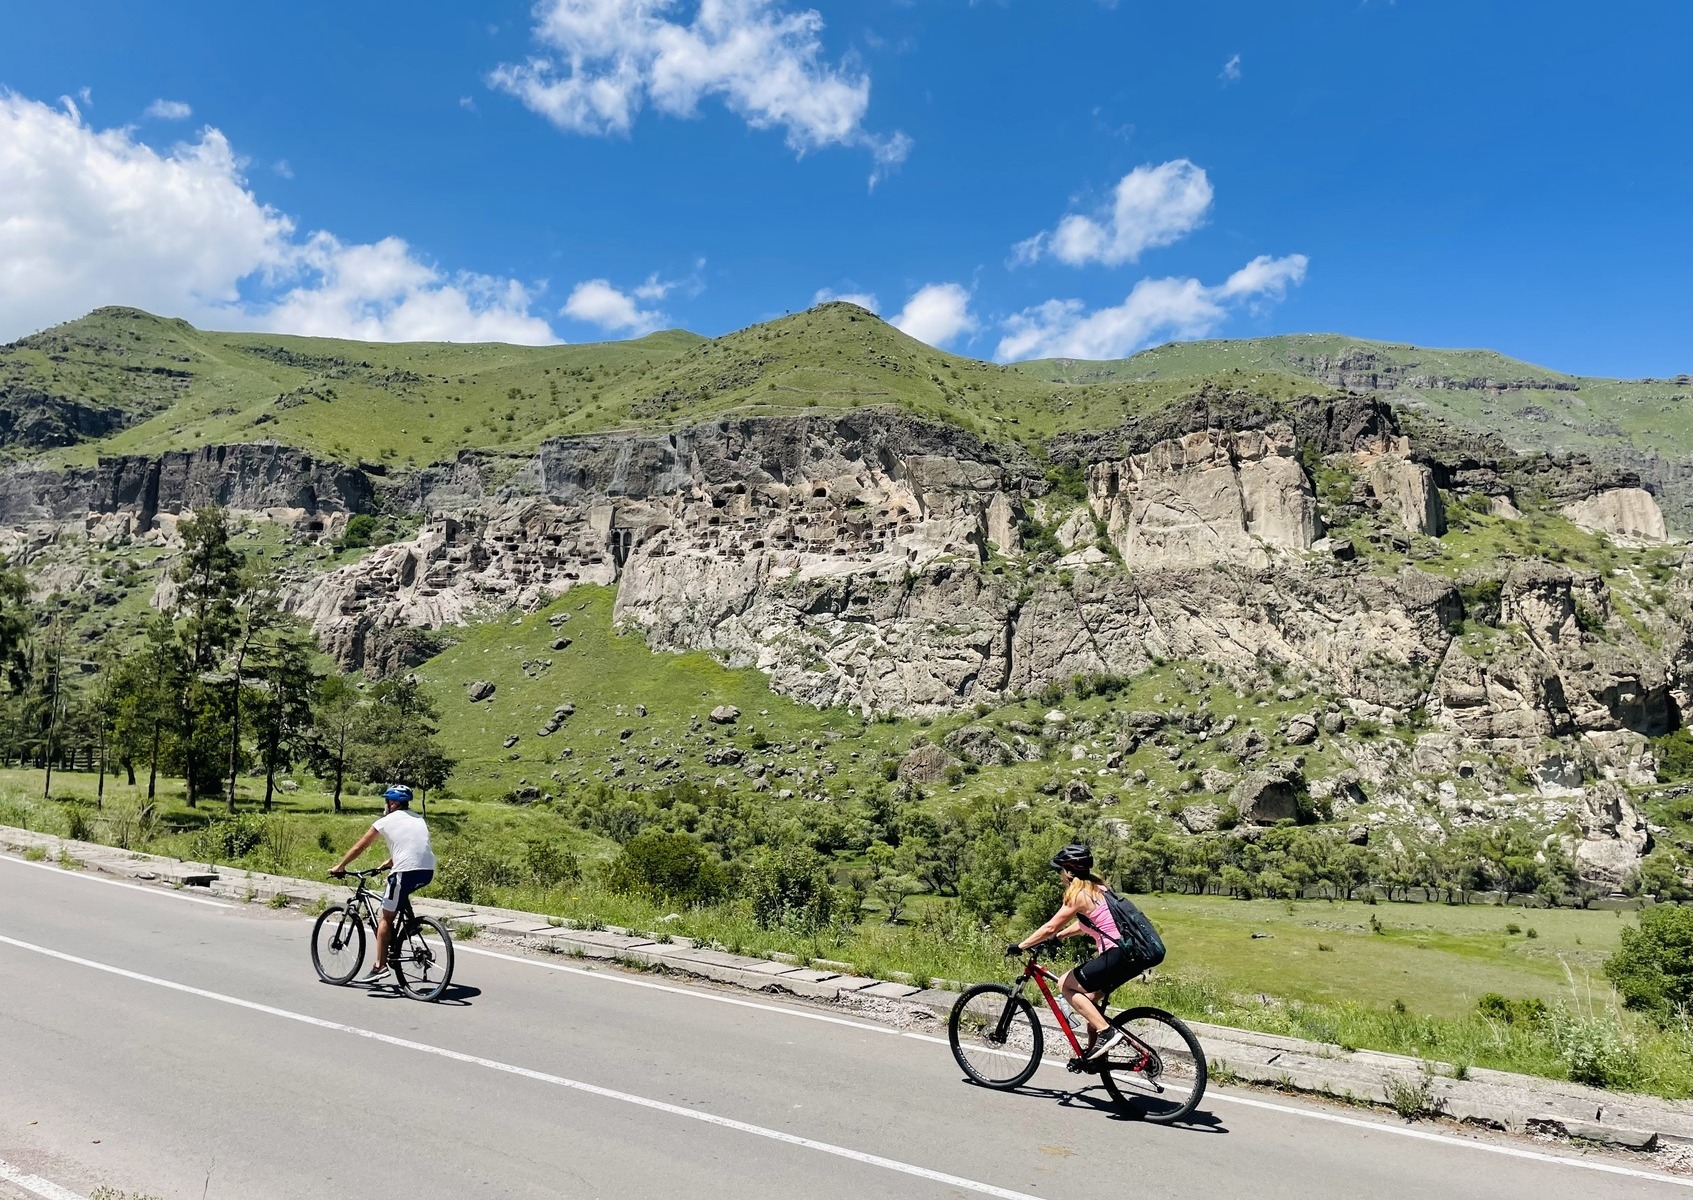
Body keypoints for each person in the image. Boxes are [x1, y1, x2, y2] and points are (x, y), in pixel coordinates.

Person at [1007, 843, 1139, 1059]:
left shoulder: (1077, 894)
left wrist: (1021, 945)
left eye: (1060, 870)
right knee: (1088, 1001)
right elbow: (1087, 924)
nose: (1059, 875)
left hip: (1116, 954)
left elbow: (1050, 926)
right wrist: (1059, 937)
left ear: (1068, 872)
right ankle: (1095, 1056)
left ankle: (1107, 1033)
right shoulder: (1099, 890)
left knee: (1065, 984)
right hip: (1131, 955)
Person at [330, 784, 436, 982]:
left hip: (405, 871)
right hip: (427, 870)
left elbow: (360, 846)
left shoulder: (386, 820)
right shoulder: (418, 818)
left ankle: (379, 966)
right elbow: (414, 846)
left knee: (386, 917)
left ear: (393, 803)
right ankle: (409, 926)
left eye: (387, 801)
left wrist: (341, 865)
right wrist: (390, 862)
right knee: (399, 894)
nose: (385, 805)